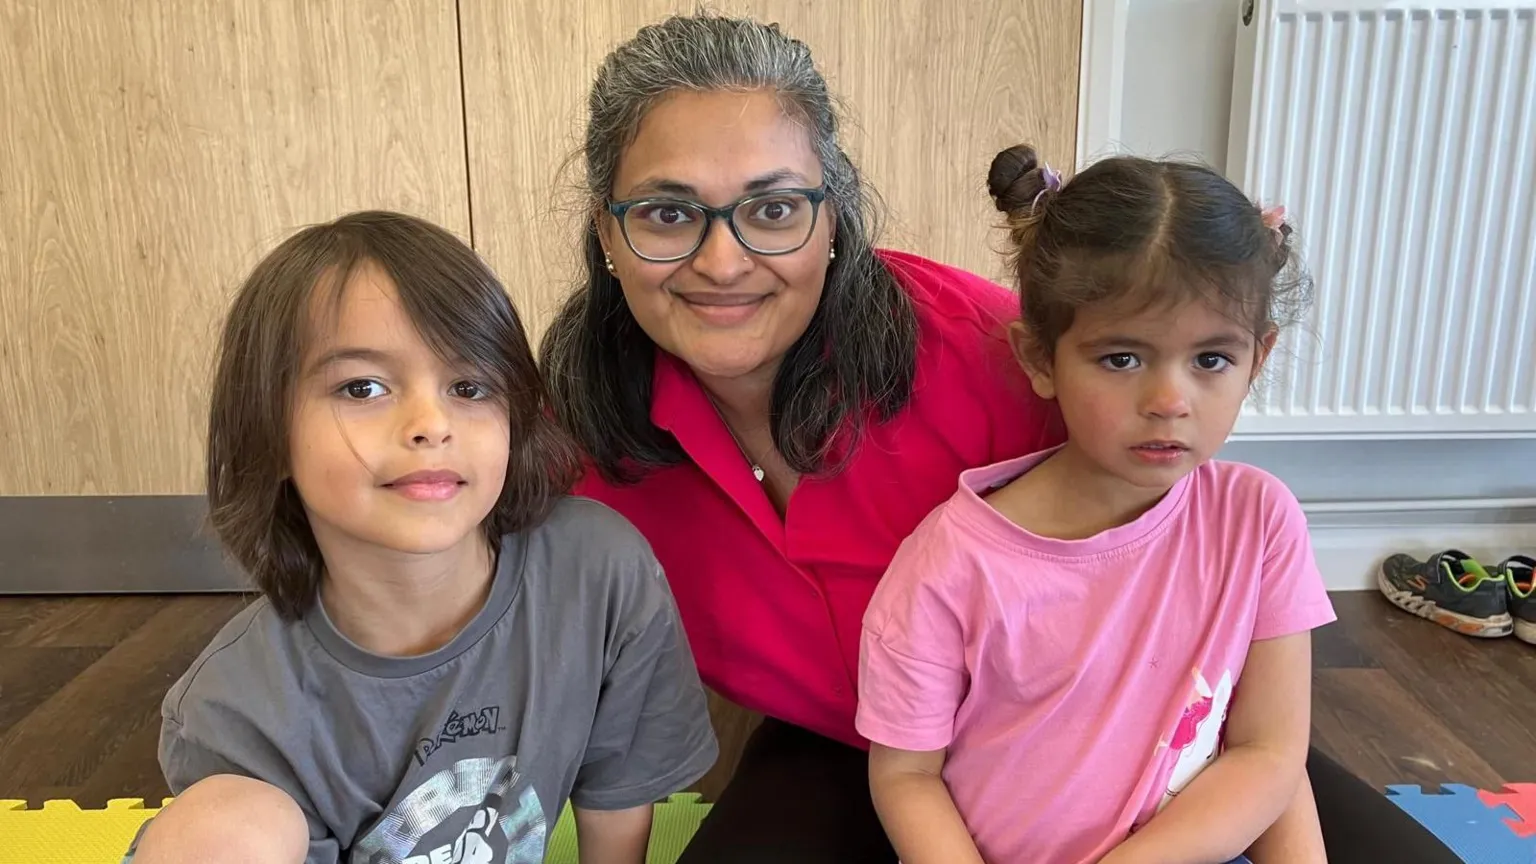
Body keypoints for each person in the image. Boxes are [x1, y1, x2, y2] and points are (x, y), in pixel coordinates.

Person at [543, 11, 1463, 864]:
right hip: (858, 753)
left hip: (1140, 737)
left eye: (774, 208)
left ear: (834, 218)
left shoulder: (988, 347)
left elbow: (1206, 568)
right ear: (607, 233)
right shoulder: (570, 446)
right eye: (667, 213)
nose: (723, 259)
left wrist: (1244, 774)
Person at [125, 211, 717, 864]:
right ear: (269, 434)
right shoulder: (238, 710)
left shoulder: (597, 572)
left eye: (468, 386)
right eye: (363, 387)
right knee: (224, 827)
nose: (431, 423)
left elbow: (617, 799)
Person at [856, 143, 1327, 864]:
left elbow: (1269, 754)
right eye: (1122, 358)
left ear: (1256, 358)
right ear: (1040, 359)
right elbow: (906, 774)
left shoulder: (1258, 521)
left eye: (1211, 359)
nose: (1169, 402)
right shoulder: (950, 566)